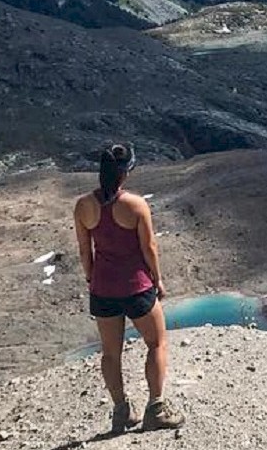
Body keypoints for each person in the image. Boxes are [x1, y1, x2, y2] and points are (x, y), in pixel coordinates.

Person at [74, 143, 184, 433]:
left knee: (110, 353)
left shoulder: (83, 206)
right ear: (125, 173)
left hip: (102, 289)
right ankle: (156, 408)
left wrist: (91, 279)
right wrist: (157, 279)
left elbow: (85, 251)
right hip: (136, 287)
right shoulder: (135, 205)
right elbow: (149, 247)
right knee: (156, 343)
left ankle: (121, 411)